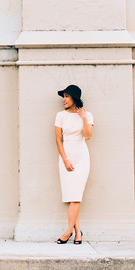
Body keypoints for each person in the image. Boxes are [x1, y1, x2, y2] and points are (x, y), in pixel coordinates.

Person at [54, 83, 93, 244]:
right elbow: (58, 139)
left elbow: (88, 135)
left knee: (76, 197)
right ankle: (77, 232)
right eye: (63, 97)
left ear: (74, 98)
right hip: (66, 157)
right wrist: (65, 160)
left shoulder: (87, 115)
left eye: (67, 96)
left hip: (82, 158)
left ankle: (68, 231)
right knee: (72, 197)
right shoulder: (60, 116)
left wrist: (83, 118)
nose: (64, 99)